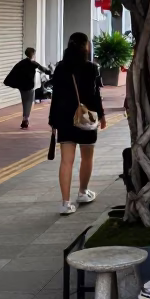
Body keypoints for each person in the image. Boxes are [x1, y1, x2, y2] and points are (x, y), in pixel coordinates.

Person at [49, 32, 107, 215]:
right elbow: (95, 95)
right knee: (87, 156)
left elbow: (55, 96)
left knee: (66, 161)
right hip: (85, 117)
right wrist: (102, 116)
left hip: (65, 119)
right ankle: (83, 192)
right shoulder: (91, 68)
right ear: (85, 46)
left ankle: (65, 203)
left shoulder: (60, 68)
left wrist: (53, 121)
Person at [4, 47, 50, 129]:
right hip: (29, 86)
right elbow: (44, 69)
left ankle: (25, 118)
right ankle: (25, 119)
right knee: (29, 103)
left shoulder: (21, 63)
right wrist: (51, 72)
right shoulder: (33, 63)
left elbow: (14, 71)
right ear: (32, 54)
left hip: (21, 86)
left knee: (24, 102)